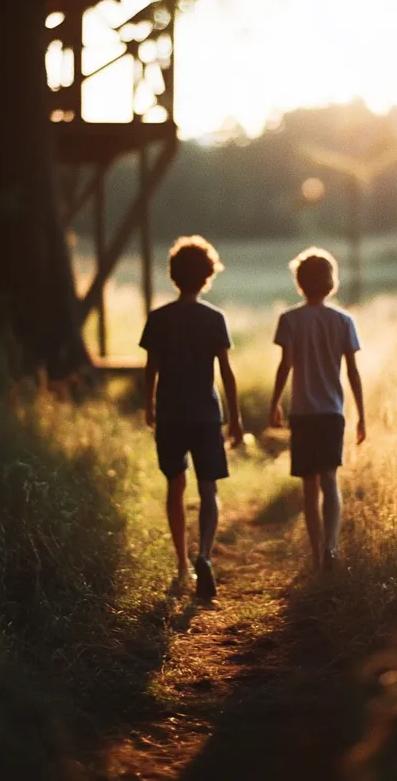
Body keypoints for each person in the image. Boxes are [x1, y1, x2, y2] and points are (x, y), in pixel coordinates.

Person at [140, 235, 244, 599]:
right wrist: (236, 417)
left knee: (175, 485)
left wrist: (149, 404)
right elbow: (226, 374)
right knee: (208, 487)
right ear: (207, 276)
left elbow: (150, 369)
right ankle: (204, 556)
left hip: (171, 412)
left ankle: (182, 563)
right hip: (205, 414)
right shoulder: (215, 318)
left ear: (173, 275)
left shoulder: (158, 319)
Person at [269, 247, 365, 571]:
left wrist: (274, 403)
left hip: (303, 413)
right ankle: (332, 546)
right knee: (330, 480)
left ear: (299, 283)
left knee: (309, 487)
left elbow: (286, 366)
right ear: (331, 283)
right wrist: (362, 415)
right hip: (332, 413)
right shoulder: (343, 321)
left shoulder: (290, 320)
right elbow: (352, 372)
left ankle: (314, 554)